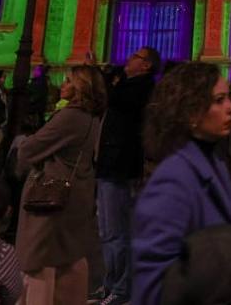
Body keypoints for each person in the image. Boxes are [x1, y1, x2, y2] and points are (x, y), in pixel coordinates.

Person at [132, 62, 231, 305]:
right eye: (219, 100)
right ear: (190, 113)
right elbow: (151, 289)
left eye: (229, 98)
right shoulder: (170, 182)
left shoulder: (214, 163)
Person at [15, 64, 106, 305]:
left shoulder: (69, 116)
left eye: (68, 81)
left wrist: (25, 145)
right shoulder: (91, 117)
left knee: (40, 259)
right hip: (78, 191)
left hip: (51, 195)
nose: (62, 85)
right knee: (69, 259)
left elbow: (29, 150)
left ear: (80, 87)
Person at [93, 45, 159, 305]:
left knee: (116, 231)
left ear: (146, 65)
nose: (128, 58)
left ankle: (120, 288)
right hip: (111, 163)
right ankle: (111, 283)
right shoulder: (129, 85)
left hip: (118, 166)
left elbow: (109, 99)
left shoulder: (139, 89)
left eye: (135, 56)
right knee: (108, 229)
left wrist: (103, 76)